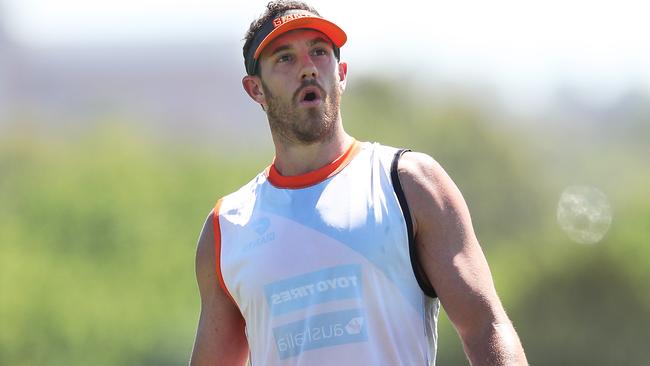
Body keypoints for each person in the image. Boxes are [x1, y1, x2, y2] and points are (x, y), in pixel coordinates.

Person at [190, 1, 528, 365]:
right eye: (285, 58)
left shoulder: (410, 184)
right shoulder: (228, 227)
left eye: (319, 52)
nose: (307, 68)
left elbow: (486, 327)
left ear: (342, 74)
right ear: (255, 89)